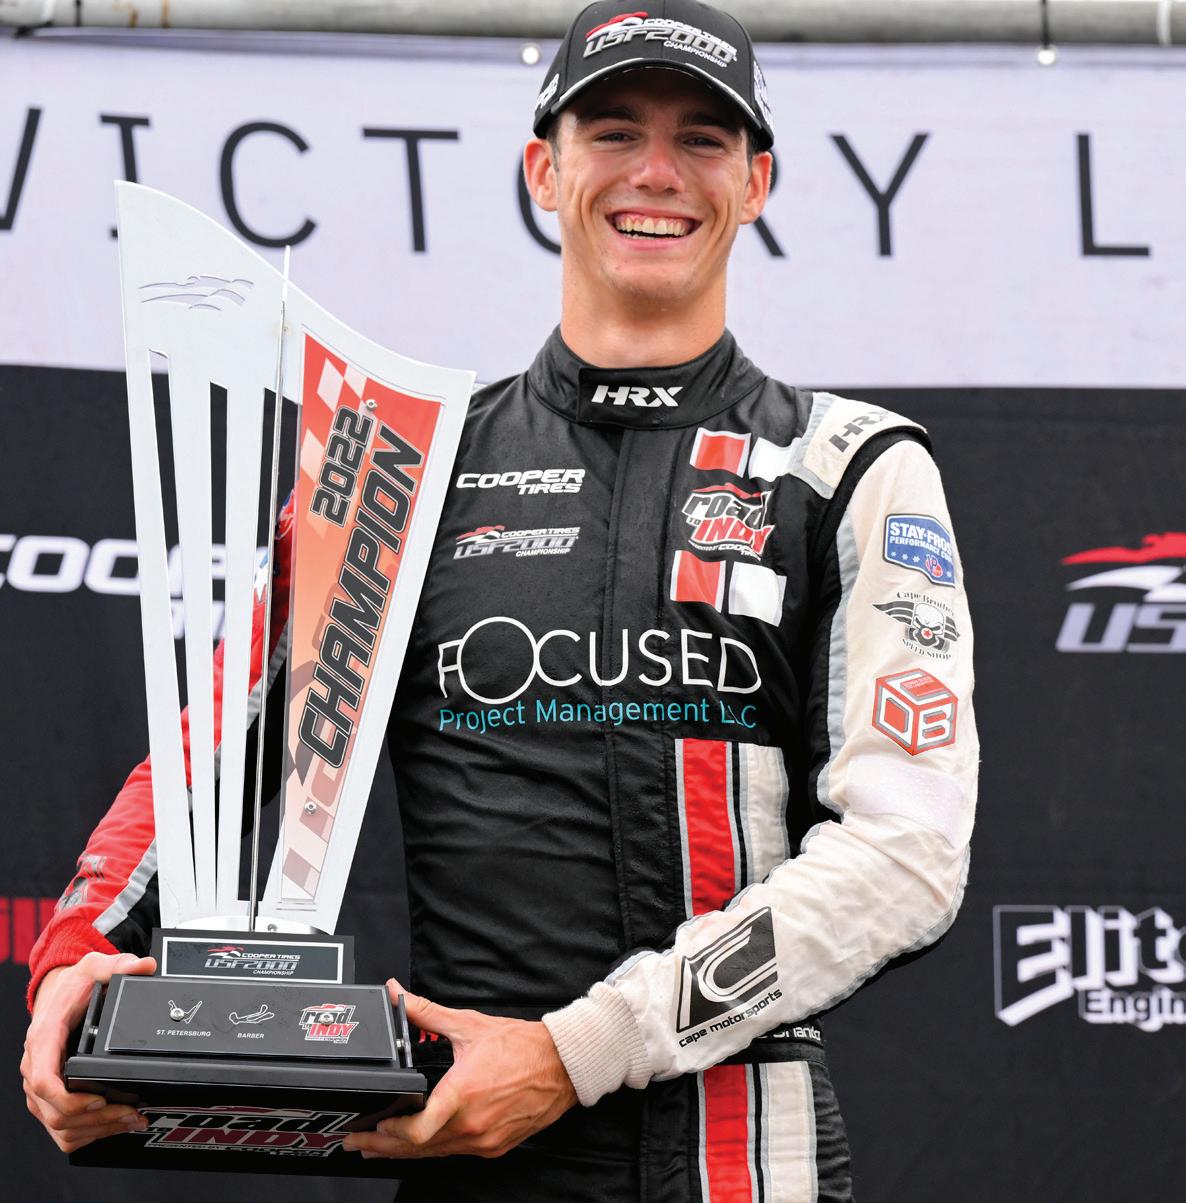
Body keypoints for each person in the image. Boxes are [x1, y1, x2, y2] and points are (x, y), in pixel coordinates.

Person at [22, 2, 978, 1199]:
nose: (655, 173)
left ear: (756, 183)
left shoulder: (851, 468)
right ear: (542, 171)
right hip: (467, 1153)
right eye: (614, 131)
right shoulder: (400, 469)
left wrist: (577, 1054)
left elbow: (907, 853)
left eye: (701, 140)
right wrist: (73, 957)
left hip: (742, 1164)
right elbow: (205, 760)